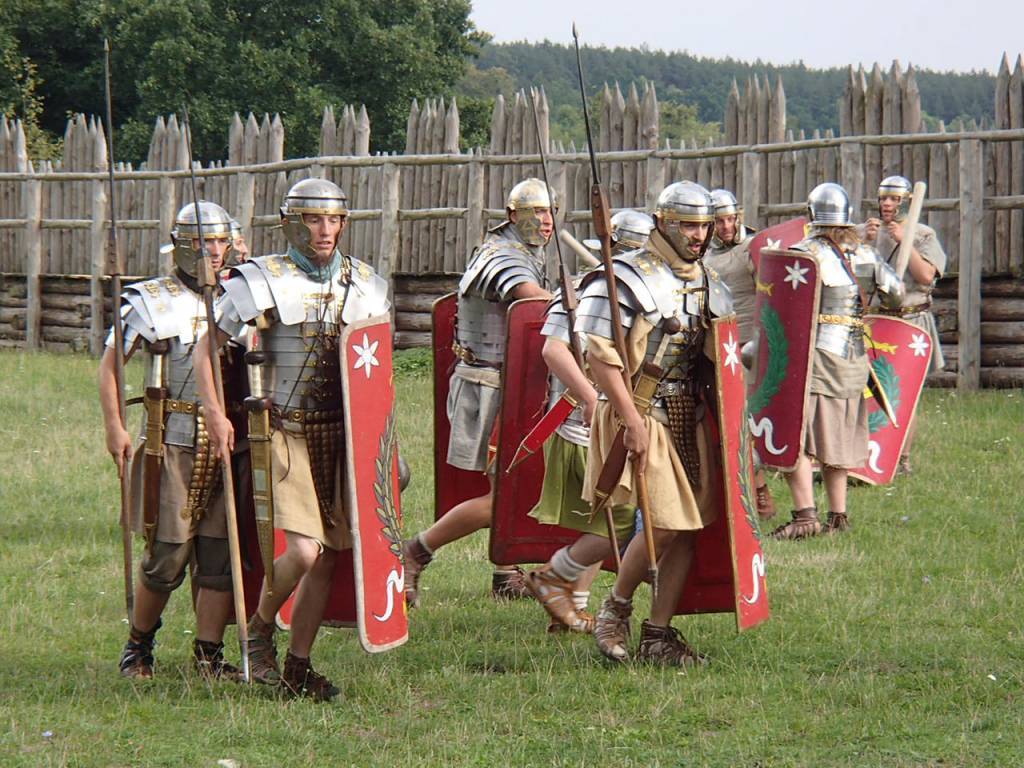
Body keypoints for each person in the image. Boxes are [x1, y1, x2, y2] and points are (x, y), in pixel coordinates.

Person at [194, 178, 389, 700]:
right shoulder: (260, 279)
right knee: (303, 551)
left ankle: (299, 664)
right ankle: (260, 629)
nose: (326, 230)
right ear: (291, 223)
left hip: (341, 436)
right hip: (284, 432)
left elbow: (375, 372)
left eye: (334, 220)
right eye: (314, 219)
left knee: (329, 556)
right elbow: (206, 349)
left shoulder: (366, 283)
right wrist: (215, 412)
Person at [578, 181, 732, 666]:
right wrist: (631, 420)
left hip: (689, 414)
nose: (699, 235)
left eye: (704, 226)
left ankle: (657, 635)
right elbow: (599, 356)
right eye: (688, 225)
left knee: (689, 528)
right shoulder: (627, 276)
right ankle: (615, 607)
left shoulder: (710, 282)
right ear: (663, 224)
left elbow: (720, 363)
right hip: (643, 409)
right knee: (665, 522)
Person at [100, 201, 243, 680]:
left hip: (227, 442)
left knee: (220, 555)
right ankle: (138, 646)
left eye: (220, 241)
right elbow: (110, 367)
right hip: (173, 441)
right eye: (203, 242)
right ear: (181, 245)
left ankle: (208, 654)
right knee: (167, 553)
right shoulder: (150, 300)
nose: (213, 251)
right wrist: (116, 426)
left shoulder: (240, 296)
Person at [402, 178, 554, 607]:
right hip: (488, 388)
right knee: (506, 497)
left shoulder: (525, 252)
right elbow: (532, 301)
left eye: (550, 212)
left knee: (509, 486)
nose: (546, 221)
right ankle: (415, 551)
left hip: (508, 384)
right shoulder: (502, 255)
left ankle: (505, 573)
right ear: (513, 215)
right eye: (536, 212)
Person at [524, 211, 653, 634]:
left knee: (606, 518)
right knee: (620, 518)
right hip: (584, 427)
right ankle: (555, 578)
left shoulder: (637, 293)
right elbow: (553, 350)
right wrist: (589, 398)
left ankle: (571, 607)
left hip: (619, 421)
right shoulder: (582, 290)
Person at [771, 183, 904, 539]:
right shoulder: (866, 254)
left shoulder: (802, 255)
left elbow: (782, 310)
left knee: (795, 434)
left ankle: (805, 516)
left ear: (811, 214)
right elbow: (897, 295)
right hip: (853, 356)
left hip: (813, 357)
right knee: (839, 434)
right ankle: (838, 515)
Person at [859, 175, 946, 474]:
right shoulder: (867, 232)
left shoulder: (922, 234)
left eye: (894, 199)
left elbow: (926, 276)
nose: (887, 204)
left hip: (910, 321)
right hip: (876, 321)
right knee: (868, 392)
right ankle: (866, 455)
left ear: (906, 202)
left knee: (904, 393)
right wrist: (862, 242)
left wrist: (904, 241)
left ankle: (902, 459)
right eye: (883, 198)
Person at [703, 188, 775, 518]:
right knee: (727, 421)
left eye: (731, 219)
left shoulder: (754, 248)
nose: (727, 226)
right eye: (720, 221)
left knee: (745, 421)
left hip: (751, 344)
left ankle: (760, 492)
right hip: (719, 343)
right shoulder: (703, 255)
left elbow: (772, 291)